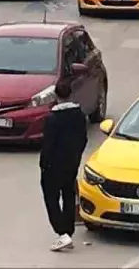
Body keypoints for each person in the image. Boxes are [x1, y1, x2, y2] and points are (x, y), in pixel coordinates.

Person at [38, 80, 89, 252]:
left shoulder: (53, 119)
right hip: (71, 162)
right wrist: (76, 156)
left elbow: (48, 145)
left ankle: (62, 233)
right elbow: (84, 139)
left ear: (56, 96)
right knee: (68, 194)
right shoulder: (79, 115)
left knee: (51, 198)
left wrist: (43, 164)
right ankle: (69, 230)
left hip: (53, 166)